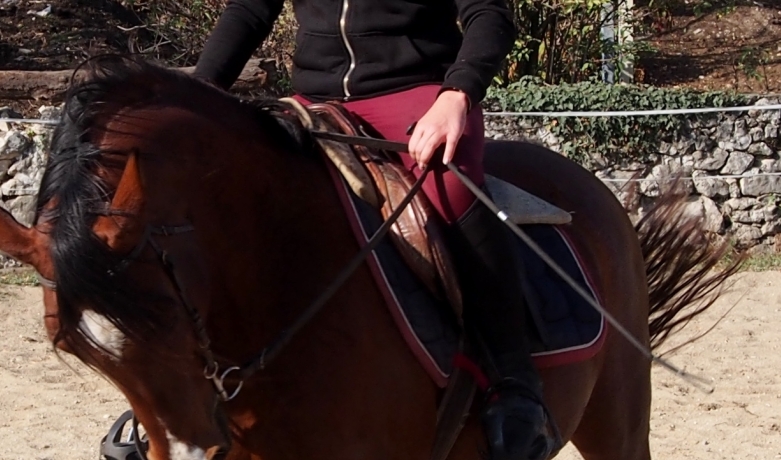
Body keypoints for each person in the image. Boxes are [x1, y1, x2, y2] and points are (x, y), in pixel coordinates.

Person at [192, 1, 558, 458]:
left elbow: (490, 14)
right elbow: (249, 10)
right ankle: (188, 385)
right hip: (310, 101)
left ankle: (513, 379)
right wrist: (198, 95)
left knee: (452, 190)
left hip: (414, 95)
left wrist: (457, 93)